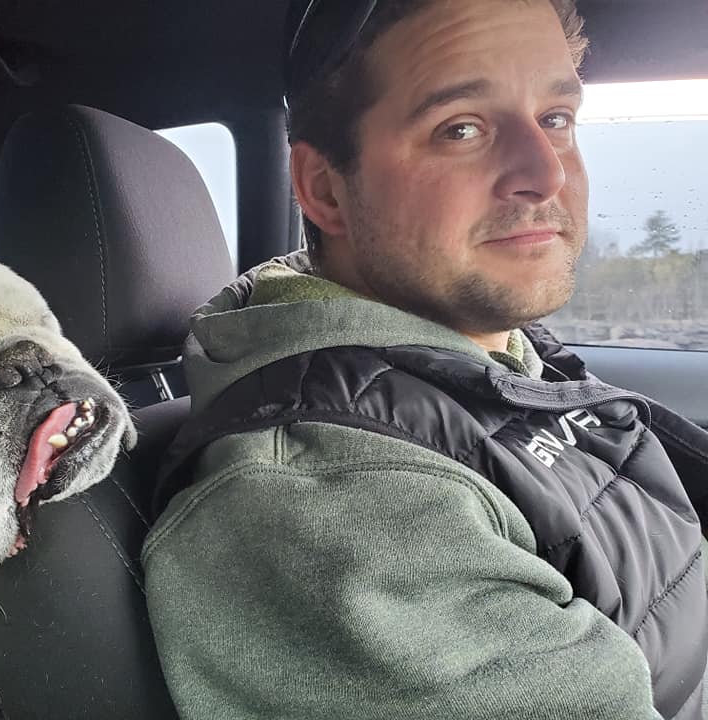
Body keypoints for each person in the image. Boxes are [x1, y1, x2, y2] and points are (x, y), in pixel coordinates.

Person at [142, 1, 708, 718]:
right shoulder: (344, 505)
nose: (546, 173)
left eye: (556, 118)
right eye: (460, 128)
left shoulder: (488, 357)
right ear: (325, 189)